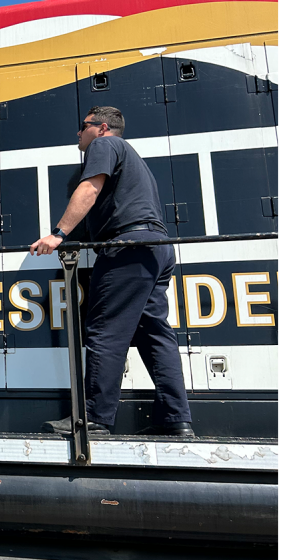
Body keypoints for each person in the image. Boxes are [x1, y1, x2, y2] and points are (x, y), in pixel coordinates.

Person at [29, 106, 194, 437]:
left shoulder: (103, 146)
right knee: (153, 333)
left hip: (128, 247)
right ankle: (177, 419)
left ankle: (95, 418)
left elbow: (89, 190)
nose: (78, 133)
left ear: (102, 128)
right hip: (157, 247)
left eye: (83, 127)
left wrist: (58, 234)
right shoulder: (137, 163)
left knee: (105, 331)